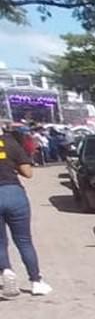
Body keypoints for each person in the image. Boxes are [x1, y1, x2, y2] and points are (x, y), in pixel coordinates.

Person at [0, 126, 51, 297]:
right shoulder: (12, 143)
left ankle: (6, 271)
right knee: (24, 241)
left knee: (0, 242)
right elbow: (28, 173)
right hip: (13, 193)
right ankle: (36, 281)